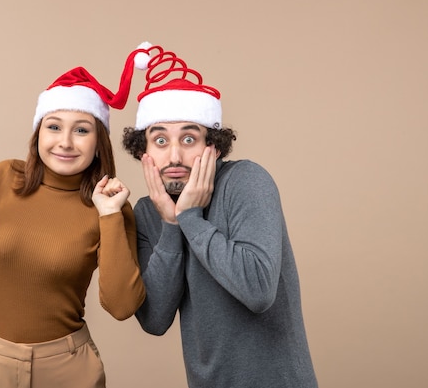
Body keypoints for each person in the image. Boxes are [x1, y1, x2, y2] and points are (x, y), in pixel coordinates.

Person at [0, 45, 150, 388]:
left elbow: (121, 306)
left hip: (69, 369)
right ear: (38, 133)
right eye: (54, 127)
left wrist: (109, 216)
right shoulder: (2, 179)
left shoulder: (110, 204)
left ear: (98, 141)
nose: (66, 142)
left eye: (82, 130)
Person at [122, 44, 318, 388]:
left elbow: (258, 291)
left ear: (212, 145)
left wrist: (192, 218)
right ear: (144, 151)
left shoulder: (246, 181)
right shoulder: (147, 213)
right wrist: (170, 225)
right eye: (160, 140)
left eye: (189, 137)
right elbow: (154, 319)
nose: (175, 156)